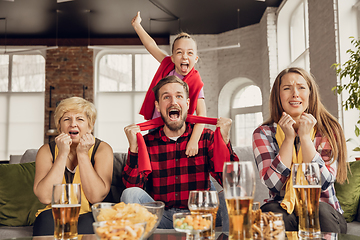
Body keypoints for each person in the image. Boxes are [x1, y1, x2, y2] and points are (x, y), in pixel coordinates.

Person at [121, 75, 239, 230]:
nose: (173, 102)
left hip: (202, 216)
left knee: (233, 195)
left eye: (179, 96)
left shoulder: (206, 138)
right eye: (166, 97)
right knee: (130, 193)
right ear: (158, 106)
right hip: (161, 217)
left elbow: (233, 183)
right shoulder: (147, 142)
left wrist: (224, 141)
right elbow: (132, 187)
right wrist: (134, 148)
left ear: (187, 103)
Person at [252, 67, 347, 233]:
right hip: (284, 207)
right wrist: (288, 139)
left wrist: (304, 138)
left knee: (318, 210)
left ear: (310, 94)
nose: (295, 93)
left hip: (325, 211)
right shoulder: (263, 133)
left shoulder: (329, 130)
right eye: (287, 88)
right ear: (278, 96)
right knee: (272, 213)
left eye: (301, 87)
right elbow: (274, 184)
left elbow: (324, 183)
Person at [32, 97, 113, 236]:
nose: (73, 124)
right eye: (66, 119)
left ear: (90, 125)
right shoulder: (46, 151)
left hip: (89, 213)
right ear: (59, 126)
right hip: (53, 214)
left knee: (93, 222)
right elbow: (45, 197)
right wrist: (62, 154)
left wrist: (82, 154)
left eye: (80, 119)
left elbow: (96, 197)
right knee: (45, 220)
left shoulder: (102, 149)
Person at [132, 11, 206, 158]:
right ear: (172, 58)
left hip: (178, 128)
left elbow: (202, 114)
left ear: (196, 58)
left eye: (190, 53)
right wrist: (137, 26)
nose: (185, 56)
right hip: (156, 126)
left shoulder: (196, 81)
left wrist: (194, 140)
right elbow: (151, 46)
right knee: (152, 161)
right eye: (179, 52)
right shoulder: (168, 65)